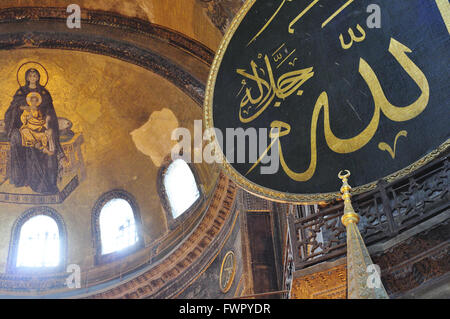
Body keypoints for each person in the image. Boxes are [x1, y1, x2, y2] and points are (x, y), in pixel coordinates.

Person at [4, 68, 64, 194]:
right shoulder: (21, 92)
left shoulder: (44, 92)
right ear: (26, 77)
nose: (32, 77)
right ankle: (21, 177)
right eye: (30, 75)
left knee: (48, 140)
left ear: (38, 77)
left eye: (35, 75)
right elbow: (12, 109)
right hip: (24, 126)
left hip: (41, 125)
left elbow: (50, 111)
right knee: (16, 137)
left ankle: (47, 182)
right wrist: (24, 108)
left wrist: (46, 121)